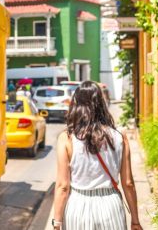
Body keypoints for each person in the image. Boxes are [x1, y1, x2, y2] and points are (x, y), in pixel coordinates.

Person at [52, 81, 142, 230]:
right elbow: (128, 183)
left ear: (76, 105)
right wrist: (135, 220)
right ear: (102, 103)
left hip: (77, 206)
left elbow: (62, 186)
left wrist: (57, 223)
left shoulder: (67, 138)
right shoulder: (120, 136)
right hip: (111, 206)